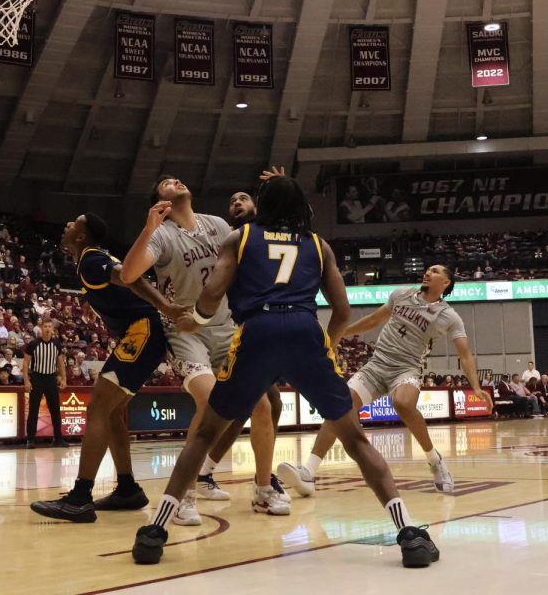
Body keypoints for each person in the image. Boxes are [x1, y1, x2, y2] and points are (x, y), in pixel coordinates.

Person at [131, 173, 437, 568]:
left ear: (262, 205)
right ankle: (408, 532)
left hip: (256, 331)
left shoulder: (239, 236)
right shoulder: (318, 244)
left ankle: (156, 531)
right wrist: (326, 346)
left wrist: (199, 320)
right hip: (304, 332)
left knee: (206, 432)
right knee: (355, 439)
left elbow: (211, 294)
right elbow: (342, 311)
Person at [122, 175, 284, 523]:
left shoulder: (218, 225)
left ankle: (263, 491)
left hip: (225, 328)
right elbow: (129, 274)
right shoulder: (161, 234)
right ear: (160, 201)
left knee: (262, 406)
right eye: (166, 182)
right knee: (210, 401)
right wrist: (148, 230)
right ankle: (185, 495)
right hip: (186, 333)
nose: (175, 181)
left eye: (176, 179)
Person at [278, 263, 490, 496]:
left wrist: (476, 387)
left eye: (436, 271)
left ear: (446, 282)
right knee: (340, 408)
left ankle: (435, 460)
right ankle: (308, 473)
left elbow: (464, 354)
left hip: (406, 369)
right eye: (428, 269)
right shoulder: (401, 294)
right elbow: (372, 320)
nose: (428, 273)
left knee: (402, 403)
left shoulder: (448, 316)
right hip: (376, 365)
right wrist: (339, 334)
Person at [31, 213, 174, 523]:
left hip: (143, 331)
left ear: (82, 236)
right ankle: (127, 488)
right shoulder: (94, 258)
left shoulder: (91, 259)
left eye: (74, 223)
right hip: (143, 332)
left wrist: (164, 306)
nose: (67, 224)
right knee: (110, 413)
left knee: (97, 408)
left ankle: (80, 498)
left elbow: (129, 277)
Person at [24, 319, 67, 447]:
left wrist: (64, 378)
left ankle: (58, 438)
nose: (47, 328)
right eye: (45, 326)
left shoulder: (57, 343)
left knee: (55, 409)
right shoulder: (33, 344)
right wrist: (26, 380)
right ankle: (30, 439)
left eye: (49, 326)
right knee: (33, 409)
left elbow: (60, 362)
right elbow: (26, 363)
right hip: (37, 378)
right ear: (41, 328)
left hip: (51, 378)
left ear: (52, 329)